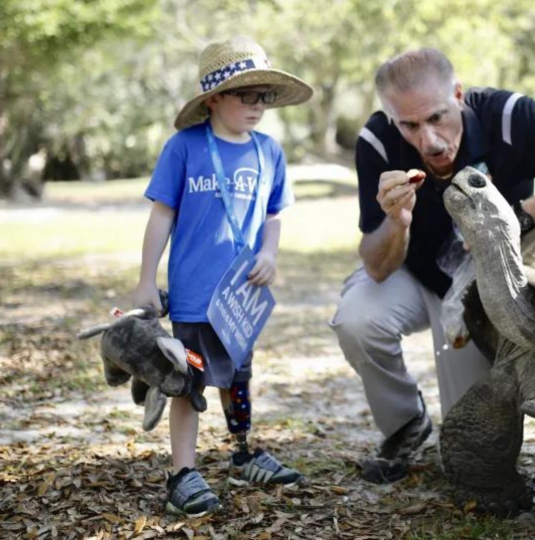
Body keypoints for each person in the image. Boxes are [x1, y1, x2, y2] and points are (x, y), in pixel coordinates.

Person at [330, 48, 535, 484]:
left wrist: (523, 213)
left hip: (487, 279)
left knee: (470, 446)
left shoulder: (509, 117)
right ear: (391, 117)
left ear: (458, 94)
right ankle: (404, 424)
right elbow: (378, 267)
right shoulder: (378, 143)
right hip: (414, 271)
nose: (429, 142)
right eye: (410, 125)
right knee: (356, 319)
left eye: (438, 117)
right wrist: (397, 221)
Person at [132, 35, 314, 516]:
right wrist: (147, 279)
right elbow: (161, 216)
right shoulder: (184, 148)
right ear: (214, 98)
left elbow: (273, 214)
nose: (258, 106)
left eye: (265, 96)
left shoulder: (268, 151)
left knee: (237, 376)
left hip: (241, 299)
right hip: (194, 295)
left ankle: (243, 453)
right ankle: (182, 473)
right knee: (187, 382)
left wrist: (271, 253)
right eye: (245, 95)